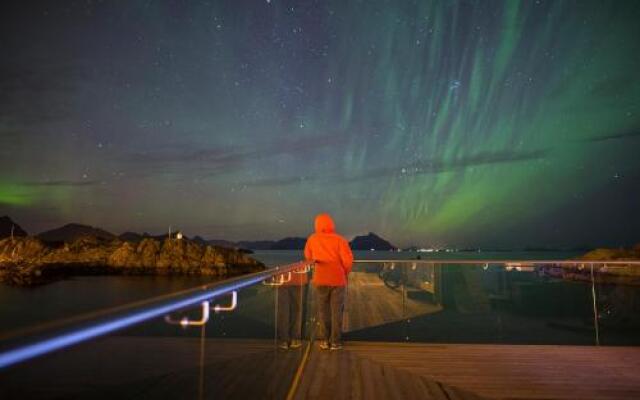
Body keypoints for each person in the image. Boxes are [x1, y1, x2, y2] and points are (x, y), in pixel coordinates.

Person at [304, 213, 353, 350]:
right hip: (338, 280)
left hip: (320, 279)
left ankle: (325, 340)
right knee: (337, 311)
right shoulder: (340, 240)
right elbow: (348, 260)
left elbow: (308, 256)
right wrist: (344, 272)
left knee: (323, 310)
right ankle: (335, 342)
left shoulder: (312, 239)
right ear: (332, 224)